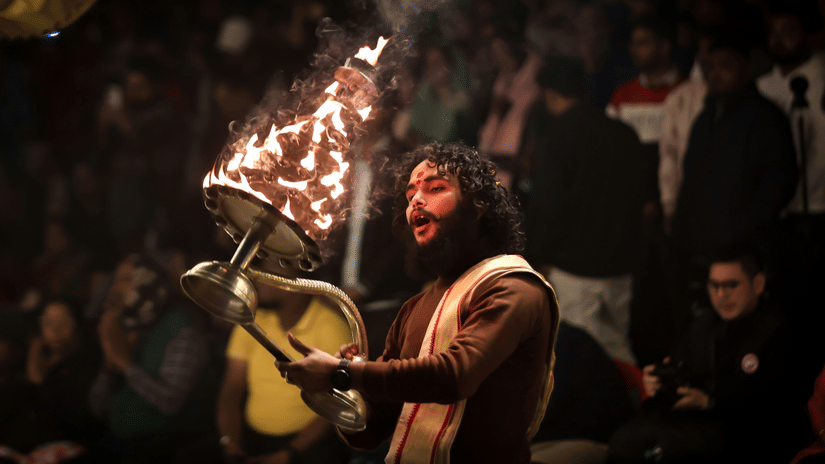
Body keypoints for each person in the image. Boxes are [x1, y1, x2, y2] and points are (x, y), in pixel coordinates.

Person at [277, 143, 559, 463]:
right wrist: (338, 391)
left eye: (435, 188)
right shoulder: (414, 309)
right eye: (411, 195)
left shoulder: (516, 288)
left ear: (478, 205)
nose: (417, 201)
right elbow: (370, 430)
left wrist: (344, 372)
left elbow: (455, 375)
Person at [607, 244, 812, 463]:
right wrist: (659, 384)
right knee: (626, 440)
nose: (721, 295)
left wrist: (710, 402)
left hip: (748, 435)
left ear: (758, 284)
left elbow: (777, 407)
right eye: (714, 286)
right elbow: (681, 373)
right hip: (694, 425)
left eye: (731, 285)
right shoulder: (702, 325)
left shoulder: (779, 331)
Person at [526, 57, 645, 364]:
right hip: (621, 265)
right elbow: (640, 200)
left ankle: (616, 408)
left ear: (550, 94)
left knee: (581, 357)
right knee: (619, 348)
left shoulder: (558, 138)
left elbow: (549, 207)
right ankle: (634, 404)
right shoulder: (623, 134)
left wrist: (542, 256)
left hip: (574, 269)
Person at [211, 266, 351, 464]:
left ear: (292, 281)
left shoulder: (332, 326)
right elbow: (231, 388)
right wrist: (230, 442)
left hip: (305, 447)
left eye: (267, 271)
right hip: (250, 438)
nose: (256, 279)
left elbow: (339, 407)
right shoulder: (252, 319)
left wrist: (288, 455)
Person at [87, 253, 215, 464]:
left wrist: (124, 363)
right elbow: (98, 408)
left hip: (162, 445)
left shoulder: (182, 329)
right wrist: (109, 367)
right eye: (116, 280)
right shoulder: (130, 327)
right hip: (119, 441)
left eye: (126, 280)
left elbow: (170, 403)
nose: (116, 289)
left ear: (150, 282)